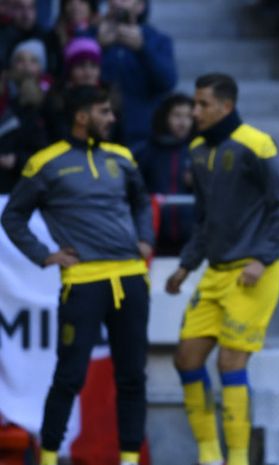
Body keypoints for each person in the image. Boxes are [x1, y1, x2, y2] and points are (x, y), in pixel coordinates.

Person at [0, 84, 154, 465]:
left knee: (133, 377)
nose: (112, 119)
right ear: (82, 116)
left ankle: (130, 459)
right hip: (84, 282)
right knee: (70, 376)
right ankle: (50, 456)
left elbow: (139, 200)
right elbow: (12, 216)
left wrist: (146, 239)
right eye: (104, 111)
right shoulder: (45, 162)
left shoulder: (122, 158)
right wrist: (45, 256)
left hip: (132, 279)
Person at [165, 73, 279, 465]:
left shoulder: (256, 144)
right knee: (186, 358)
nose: (195, 111)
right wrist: (186, 265)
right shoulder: (196, 150)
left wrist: (263, 257)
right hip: (215, 272)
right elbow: (206, 219)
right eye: (195, 103)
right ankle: (209, 456)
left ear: (225, 106)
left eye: (202, 104)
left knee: (229, 362)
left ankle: (237, 459)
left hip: (253, 272)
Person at [94, 0, 177, 145]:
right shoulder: (93, 34)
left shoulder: (157, 40)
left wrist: (142, 48)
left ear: (140, 6)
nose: (117, 2)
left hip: (143, 134)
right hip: (98, 130)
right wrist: (97, 46)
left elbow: (167, 82)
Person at [136, 93, 195, 256]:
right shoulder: (146, 152)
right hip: (154, 240)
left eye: (189, 117)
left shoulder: (200, 152)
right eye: (177, 115)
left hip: (192, 242)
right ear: (164, 117)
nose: (183, 123)